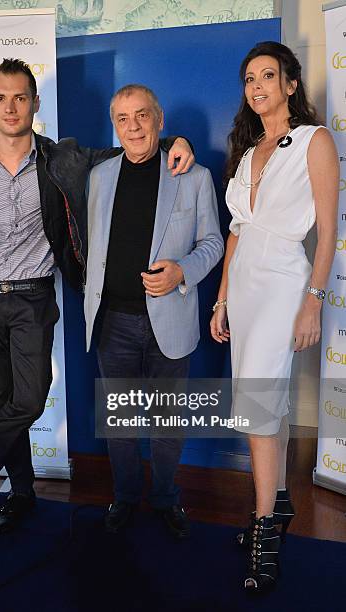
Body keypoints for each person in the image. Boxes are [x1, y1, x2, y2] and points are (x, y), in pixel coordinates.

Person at [0, 59, 194, 536]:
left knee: (28, 400)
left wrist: (175, 141)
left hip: (33, 298)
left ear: (34, 103)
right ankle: (22, 492)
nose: (11, 107)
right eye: (2, 97)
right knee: (4, 402)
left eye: (21, 97)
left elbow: (128, 147)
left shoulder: (61, 157)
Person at [210, 41, 338, 592]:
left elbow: (329, 230)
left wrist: (315, 297)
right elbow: (238, 232)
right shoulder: (247, 150)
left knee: (260, 405)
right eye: (249, 78)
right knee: (263, 399)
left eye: (268, 75)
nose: (257, 85)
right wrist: (220, 300)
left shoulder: (315, 140)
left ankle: (263, 528)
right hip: (243, 288)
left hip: (286, 279)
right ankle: (277, 503)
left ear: (290, 84)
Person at [85, 84, 223, 537]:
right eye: (123, 119)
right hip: (114, 324)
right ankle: (125, 497)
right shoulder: (99, 176)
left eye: (142, 116)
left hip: (170, 321)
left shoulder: (194, 175)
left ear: (160, 121)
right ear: (115, 126)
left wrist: (182, 271)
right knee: (121, 423)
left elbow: (214, 244)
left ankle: (165, 498)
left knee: (167, 422)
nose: (133, 126)